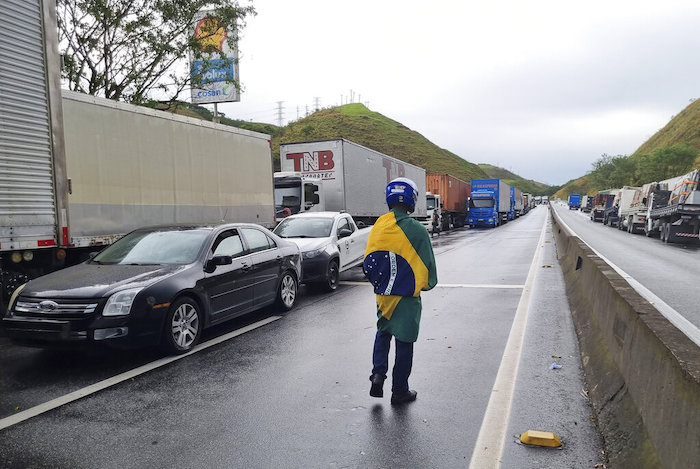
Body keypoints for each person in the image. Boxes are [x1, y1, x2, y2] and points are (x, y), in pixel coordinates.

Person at [363, 177, 438, 405]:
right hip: (406, 298)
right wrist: (425, 283)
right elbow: (429, 270)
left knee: (383, 332)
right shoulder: (417, 230)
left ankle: (378, 374)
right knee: (404, 342)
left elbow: (368, 259)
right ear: (412, 199)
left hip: (383, 295)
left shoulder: (379, 225)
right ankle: (399, 390)